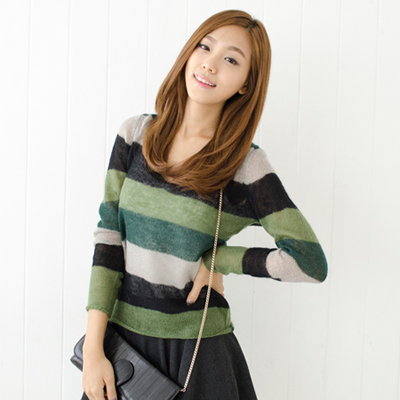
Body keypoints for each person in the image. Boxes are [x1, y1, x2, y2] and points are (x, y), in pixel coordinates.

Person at [81, 9, 327, 400]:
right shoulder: (136, 134)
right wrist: (94, 348)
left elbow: (309, 262)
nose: (210, 64)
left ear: (246, 84)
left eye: (231, 59)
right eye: (205, 46)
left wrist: (219, 260)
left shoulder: (245, 165)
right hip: (124, 349)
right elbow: (109, 237)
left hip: (198, 356)